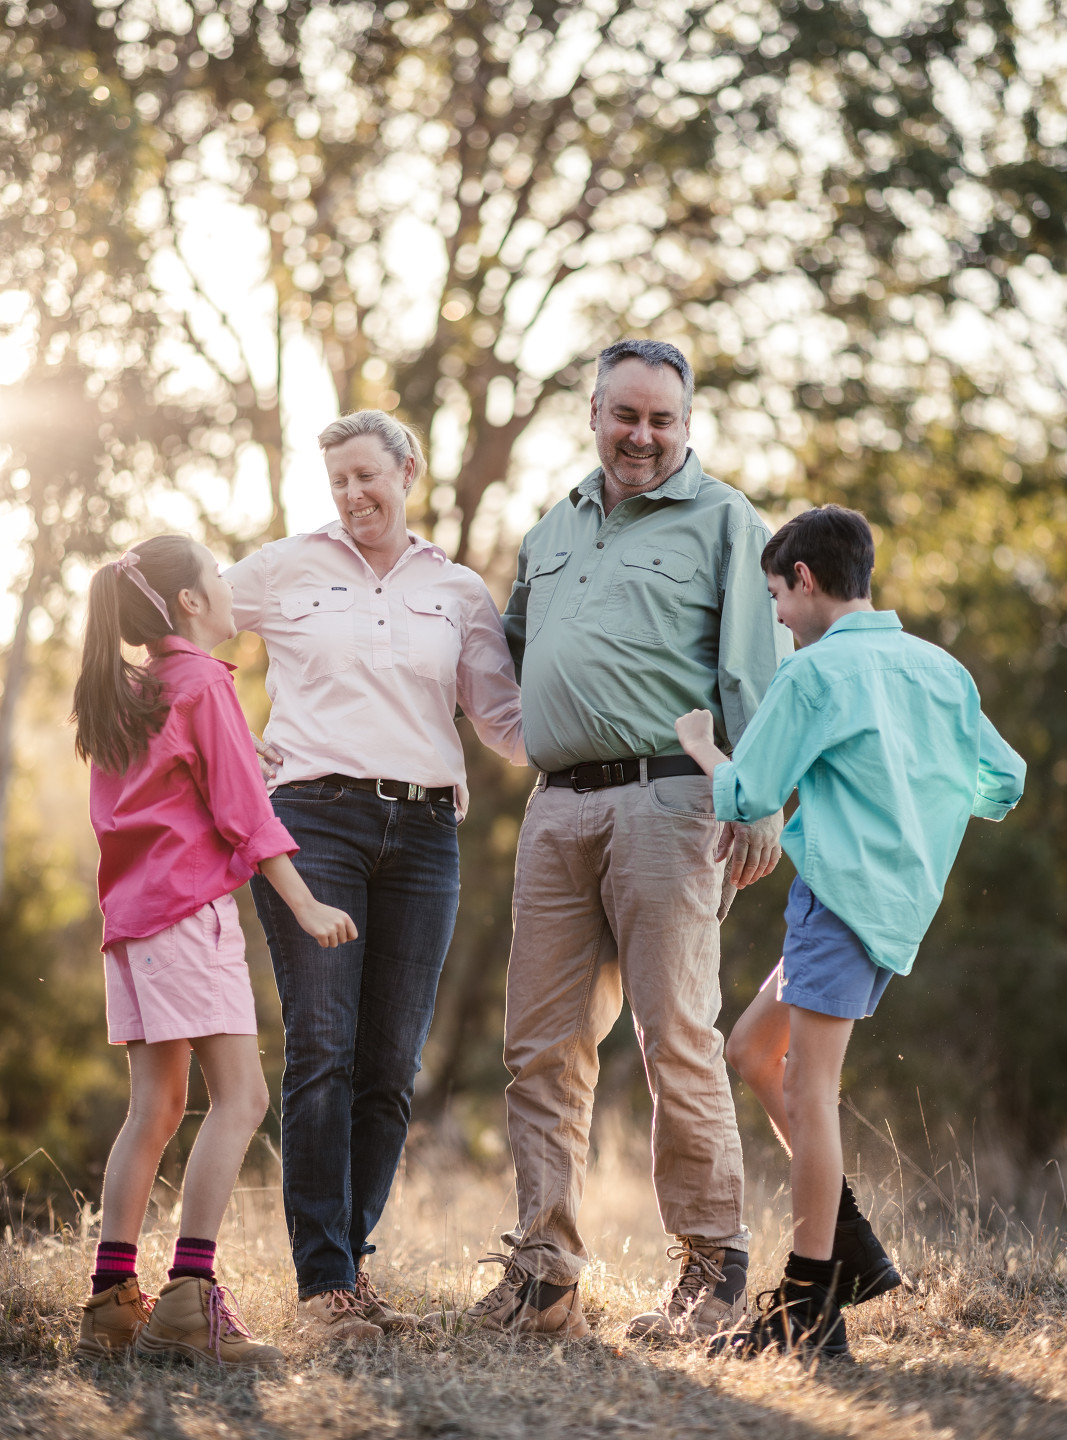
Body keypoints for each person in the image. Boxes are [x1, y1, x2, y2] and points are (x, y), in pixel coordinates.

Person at [427, 339, 791, 1343]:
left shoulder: (725, 521)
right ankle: (544, 1279)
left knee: (675, 1035)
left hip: (669, 802)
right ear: (592, 413)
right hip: (556, 808)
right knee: (538, 1047)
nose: (641, 435)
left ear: (686, 425)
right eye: (624, 414)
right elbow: (500, 655)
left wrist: (757, 794)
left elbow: (754, 673)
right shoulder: (550, 529)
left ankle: (711, 1273)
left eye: (660, 419)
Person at [676, 503, 1026, 1363]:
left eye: (776, 597)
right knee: (751, 1051)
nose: (778, 617)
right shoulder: (939, 668)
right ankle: (853, 1245)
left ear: (803, 578)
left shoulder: (813, 673)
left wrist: (700, 745)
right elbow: (1004, 781)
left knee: (808, 1088)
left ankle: (809, 1303)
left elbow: (748, 794)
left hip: (836, 900)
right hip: (891, 905)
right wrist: (915, 797)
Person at [225, 409, 525, 1341]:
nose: (355, 495)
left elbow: (506, 723)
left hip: (426, 835)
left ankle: (349, 1267)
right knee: (324, 1049)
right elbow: (178, 627)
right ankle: (323, 1287)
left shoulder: (459, 590)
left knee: (391, 1066)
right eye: (339, 481)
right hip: (313, 822)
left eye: (368, 475)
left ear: (407, 471)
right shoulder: (285, 567)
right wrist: (228, 748)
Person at [71, 535, 357, 1368]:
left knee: (155, 1110)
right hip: (186, 917)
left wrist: (240, 750)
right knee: (241, 1098)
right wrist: (304, 902)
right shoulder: (202, 682)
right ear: (191, 602)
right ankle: (190, 1302)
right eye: (218, 577)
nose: (231, 591)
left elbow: (174, 786)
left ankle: (111, 1306)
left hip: (132, 924)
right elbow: (243, 815)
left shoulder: (137, 689)